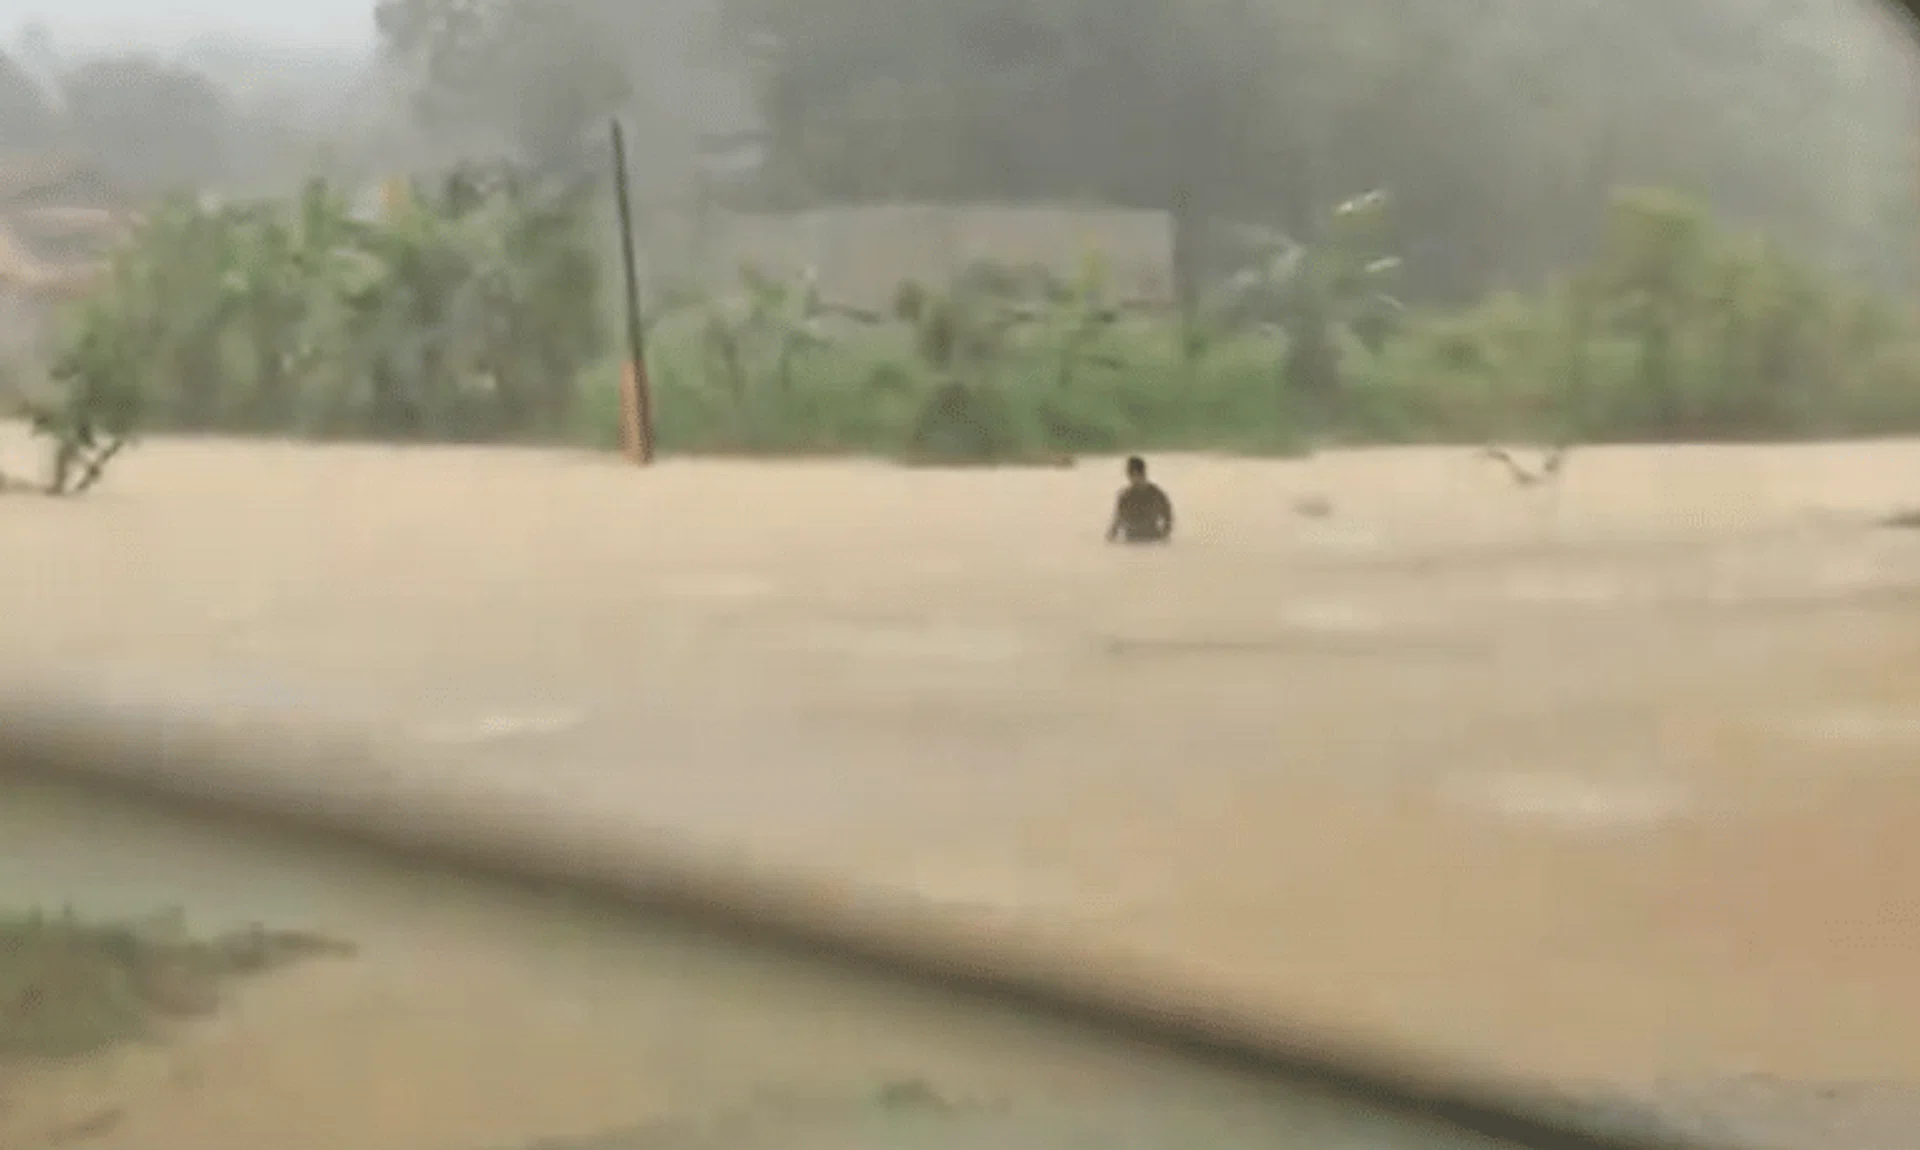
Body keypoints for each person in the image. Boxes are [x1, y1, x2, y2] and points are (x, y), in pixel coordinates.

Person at [1106, 456, 1174, 543]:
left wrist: (1165, 534)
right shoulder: (1125, 495)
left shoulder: (1155, 494)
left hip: (1148, 538)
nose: (1129, 477)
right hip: (1137, 538)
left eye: (1129, 473)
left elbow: (1168, 517)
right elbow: (1118, 520)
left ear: (1135, 473)